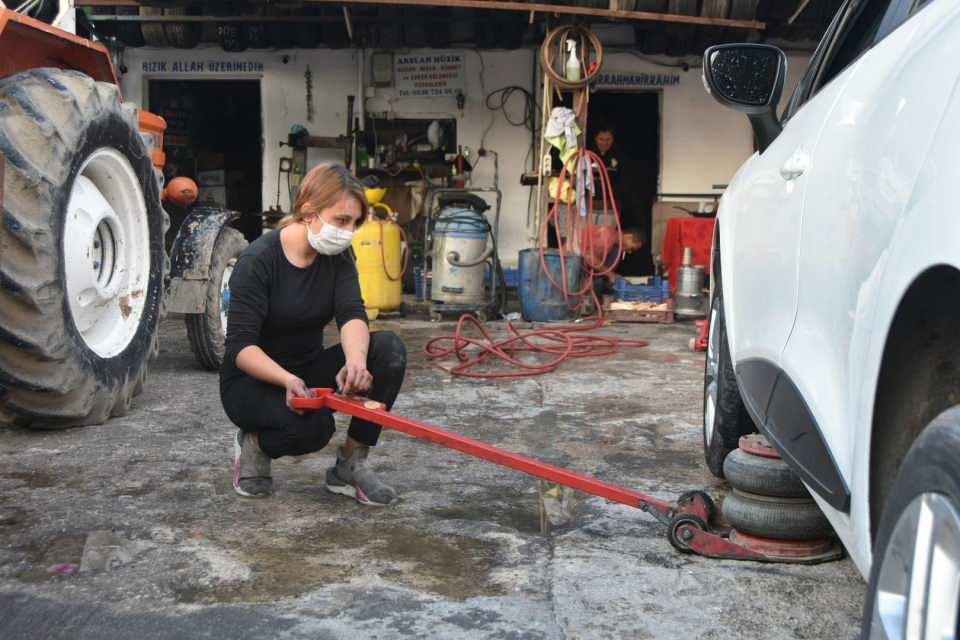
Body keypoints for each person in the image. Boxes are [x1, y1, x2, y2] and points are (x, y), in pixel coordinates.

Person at [219, 163, 407, 506]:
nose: (348, 232)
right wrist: (287, 379)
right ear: (309, 212)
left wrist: (355, 360)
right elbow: (241, 349)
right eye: (341, 221)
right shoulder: (259, 260)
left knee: (388, 350)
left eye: (354, 222)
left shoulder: (337, 255)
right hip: (252, 380)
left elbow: (352, 313)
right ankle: (254, 445)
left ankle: (350, 465)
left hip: (305, 368)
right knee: (313, 430)